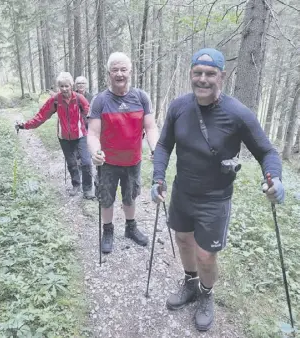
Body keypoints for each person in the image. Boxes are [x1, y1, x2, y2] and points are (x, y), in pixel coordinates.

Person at [150, 48, 284, 331]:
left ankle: (206, 295)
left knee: (206, 255)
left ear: (222, 76)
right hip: (182, 191)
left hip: (215, 198)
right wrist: (158, 177)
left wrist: (274, 178)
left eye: (210, 74)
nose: (203, 79)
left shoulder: (238, 114)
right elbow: (163, 145)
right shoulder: (178, 107)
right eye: (197, 72)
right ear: (191, 74)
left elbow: (267, 151)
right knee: (184, 241)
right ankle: (189, 283)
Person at [87, 52, 159, 253]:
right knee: (106, 198)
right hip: (108, 162)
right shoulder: (100, 100)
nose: (119, 74)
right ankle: (108, 230)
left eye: (123, 69)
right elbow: (92, 133)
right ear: (108, 73)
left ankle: (130, 227)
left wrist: (155, 148)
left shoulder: (141, 97)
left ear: (130, 71)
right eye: (115, 70)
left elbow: (151, 127)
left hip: (133, 161)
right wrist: (95, 152)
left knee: (130, 196)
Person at [16, 72, 95, 200]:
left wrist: (95, 129)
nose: (64, 89)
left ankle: (87, 189)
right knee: (71, 162)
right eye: (61, 86)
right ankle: (76, 185)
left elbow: (91, 114)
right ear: (59, 87)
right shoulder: (55, 100)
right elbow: (41, 116)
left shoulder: (79, 98)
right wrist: (25, 125)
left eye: (66, 86)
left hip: (80, 135)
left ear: (71, 85)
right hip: (64, 137)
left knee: (86, 162)